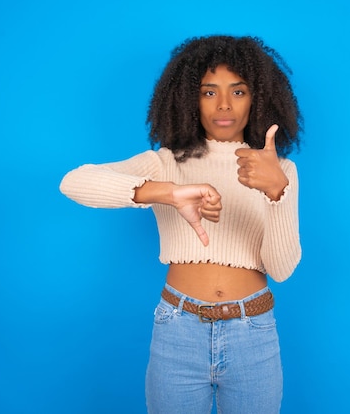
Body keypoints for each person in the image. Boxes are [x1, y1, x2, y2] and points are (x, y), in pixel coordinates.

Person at [59, 34, 303, 414]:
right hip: (178, 329)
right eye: (209, 92)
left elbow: (283, 269)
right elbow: (74, 182)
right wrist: (168, 192)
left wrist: (277, 192)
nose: (224, 104)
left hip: (253, 331)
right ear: (189, 98)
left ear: (259, 98)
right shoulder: (166, 161)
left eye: (238, 92)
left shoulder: (280, 170)